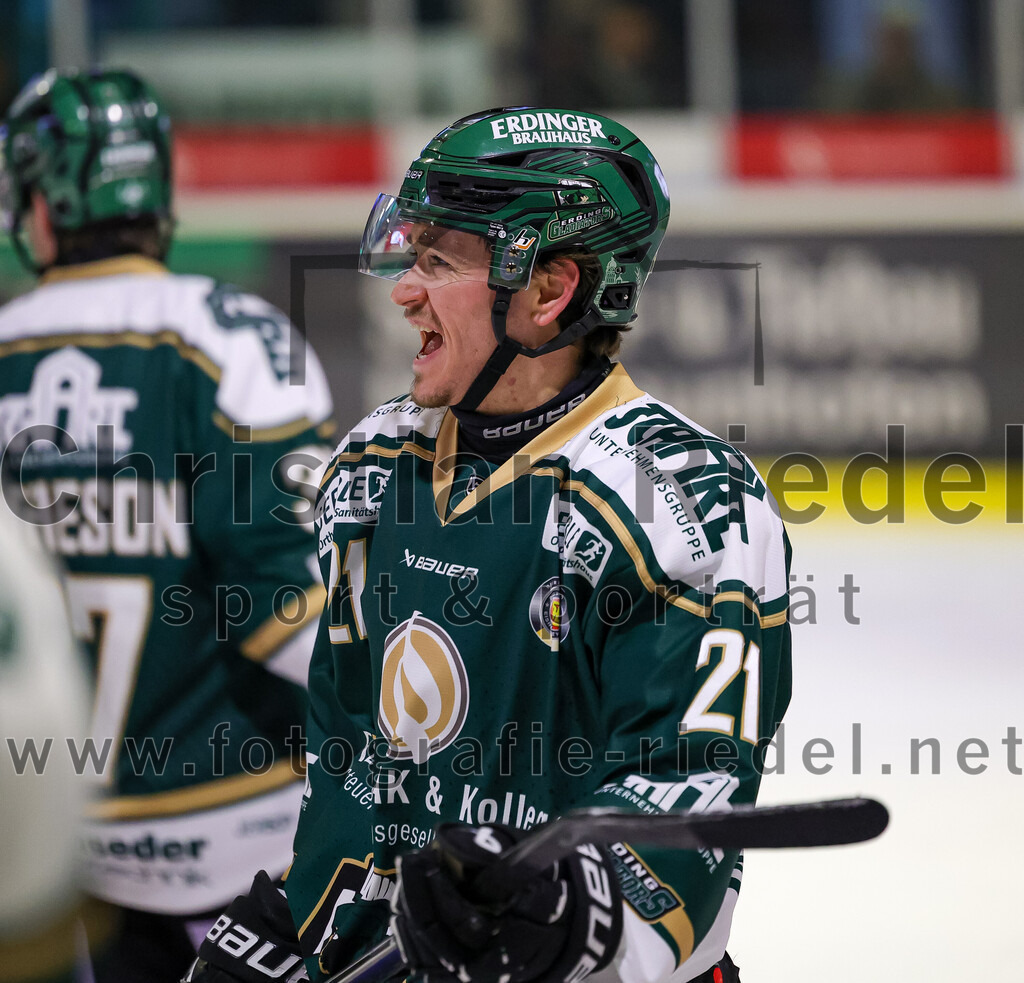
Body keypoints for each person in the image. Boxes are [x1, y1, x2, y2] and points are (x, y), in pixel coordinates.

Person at [190, 107, 792, 983]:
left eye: (439, 261)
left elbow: (686, 791)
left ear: (547, 291)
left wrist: (580, 912)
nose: (404, 290)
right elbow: (355, 770)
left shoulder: (680, 502)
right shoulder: (372, 465)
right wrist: (305, 925)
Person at [0, 68, 335, 982]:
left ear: (47, 203)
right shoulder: (229, 337)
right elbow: (294, 611)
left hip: (52, 850)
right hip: (244, 845)